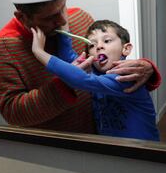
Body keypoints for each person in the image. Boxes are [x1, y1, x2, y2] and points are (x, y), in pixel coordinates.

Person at [0, 0, 161, 133]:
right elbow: (12, 113)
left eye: (63, 6)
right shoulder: (6, 46)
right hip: (61, 152)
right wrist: (65, 83)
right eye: (50, 17)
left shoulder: (81, 17)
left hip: (105, 137)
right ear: (22, 17)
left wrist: (146, 68)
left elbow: (105, 63)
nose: (63, 20)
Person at [30, 20, 160, 141]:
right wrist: (64, 28)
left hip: (143, 151)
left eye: (107, 41)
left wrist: (39, 52)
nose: (99, 47)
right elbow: (69, 58)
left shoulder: (126, 76)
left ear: (126, 48)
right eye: (92, 44)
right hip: (113, 150)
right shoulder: (95, 72)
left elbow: (81, 79)